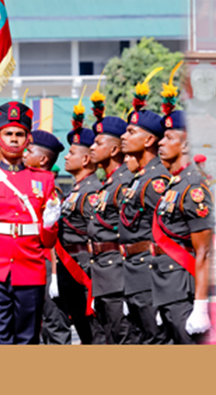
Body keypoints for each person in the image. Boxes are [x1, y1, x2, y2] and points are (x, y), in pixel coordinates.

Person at [0, 101, 61, 344]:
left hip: (30, 271)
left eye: (20, 134)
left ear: (28, 139)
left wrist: (49, 224)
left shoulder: (45, 180)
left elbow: (48, 242)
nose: (14, 139)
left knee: (27, 341)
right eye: (8, 133)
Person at [153, 90, 214, 344]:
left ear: (186, 145)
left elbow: (204, 251)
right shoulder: (174, 185)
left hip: (183, 289)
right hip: (167, 288)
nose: (160, 143)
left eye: (168, 138)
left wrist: (200, 306)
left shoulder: (194, 187)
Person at [119, 107, 171, 344]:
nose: (123, 136)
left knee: (156, 340)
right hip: (134, 272)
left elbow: (170, 231)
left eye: (131, 132)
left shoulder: (157, 181)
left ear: (149, 140)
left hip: (150, 272)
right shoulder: (140, 177)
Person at [87, 114, 137, 344]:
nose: (91, 147)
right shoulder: (109, 182)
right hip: (103, 272)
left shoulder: (125, 181)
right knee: (108, 336)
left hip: (118, 274)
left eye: (98, 143)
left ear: (115, 149)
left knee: (122, 337)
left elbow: (130, 232)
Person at [56, 125, 106, 344]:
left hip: (85, 274)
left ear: (86, 160)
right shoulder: (76, 191)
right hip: (71, 272)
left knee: (96, 336)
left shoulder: (92, 192)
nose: (66, 157)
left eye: (72, 153)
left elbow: (96, 236)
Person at [23, 129, 70, 344]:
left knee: (54, 328)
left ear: (42, 160)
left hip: (48, 267)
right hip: (31, 266)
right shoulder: (29, 188)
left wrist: (54, 276)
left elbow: (54, 237)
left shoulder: (51, 191)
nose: (23, 153)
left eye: (29, 150)